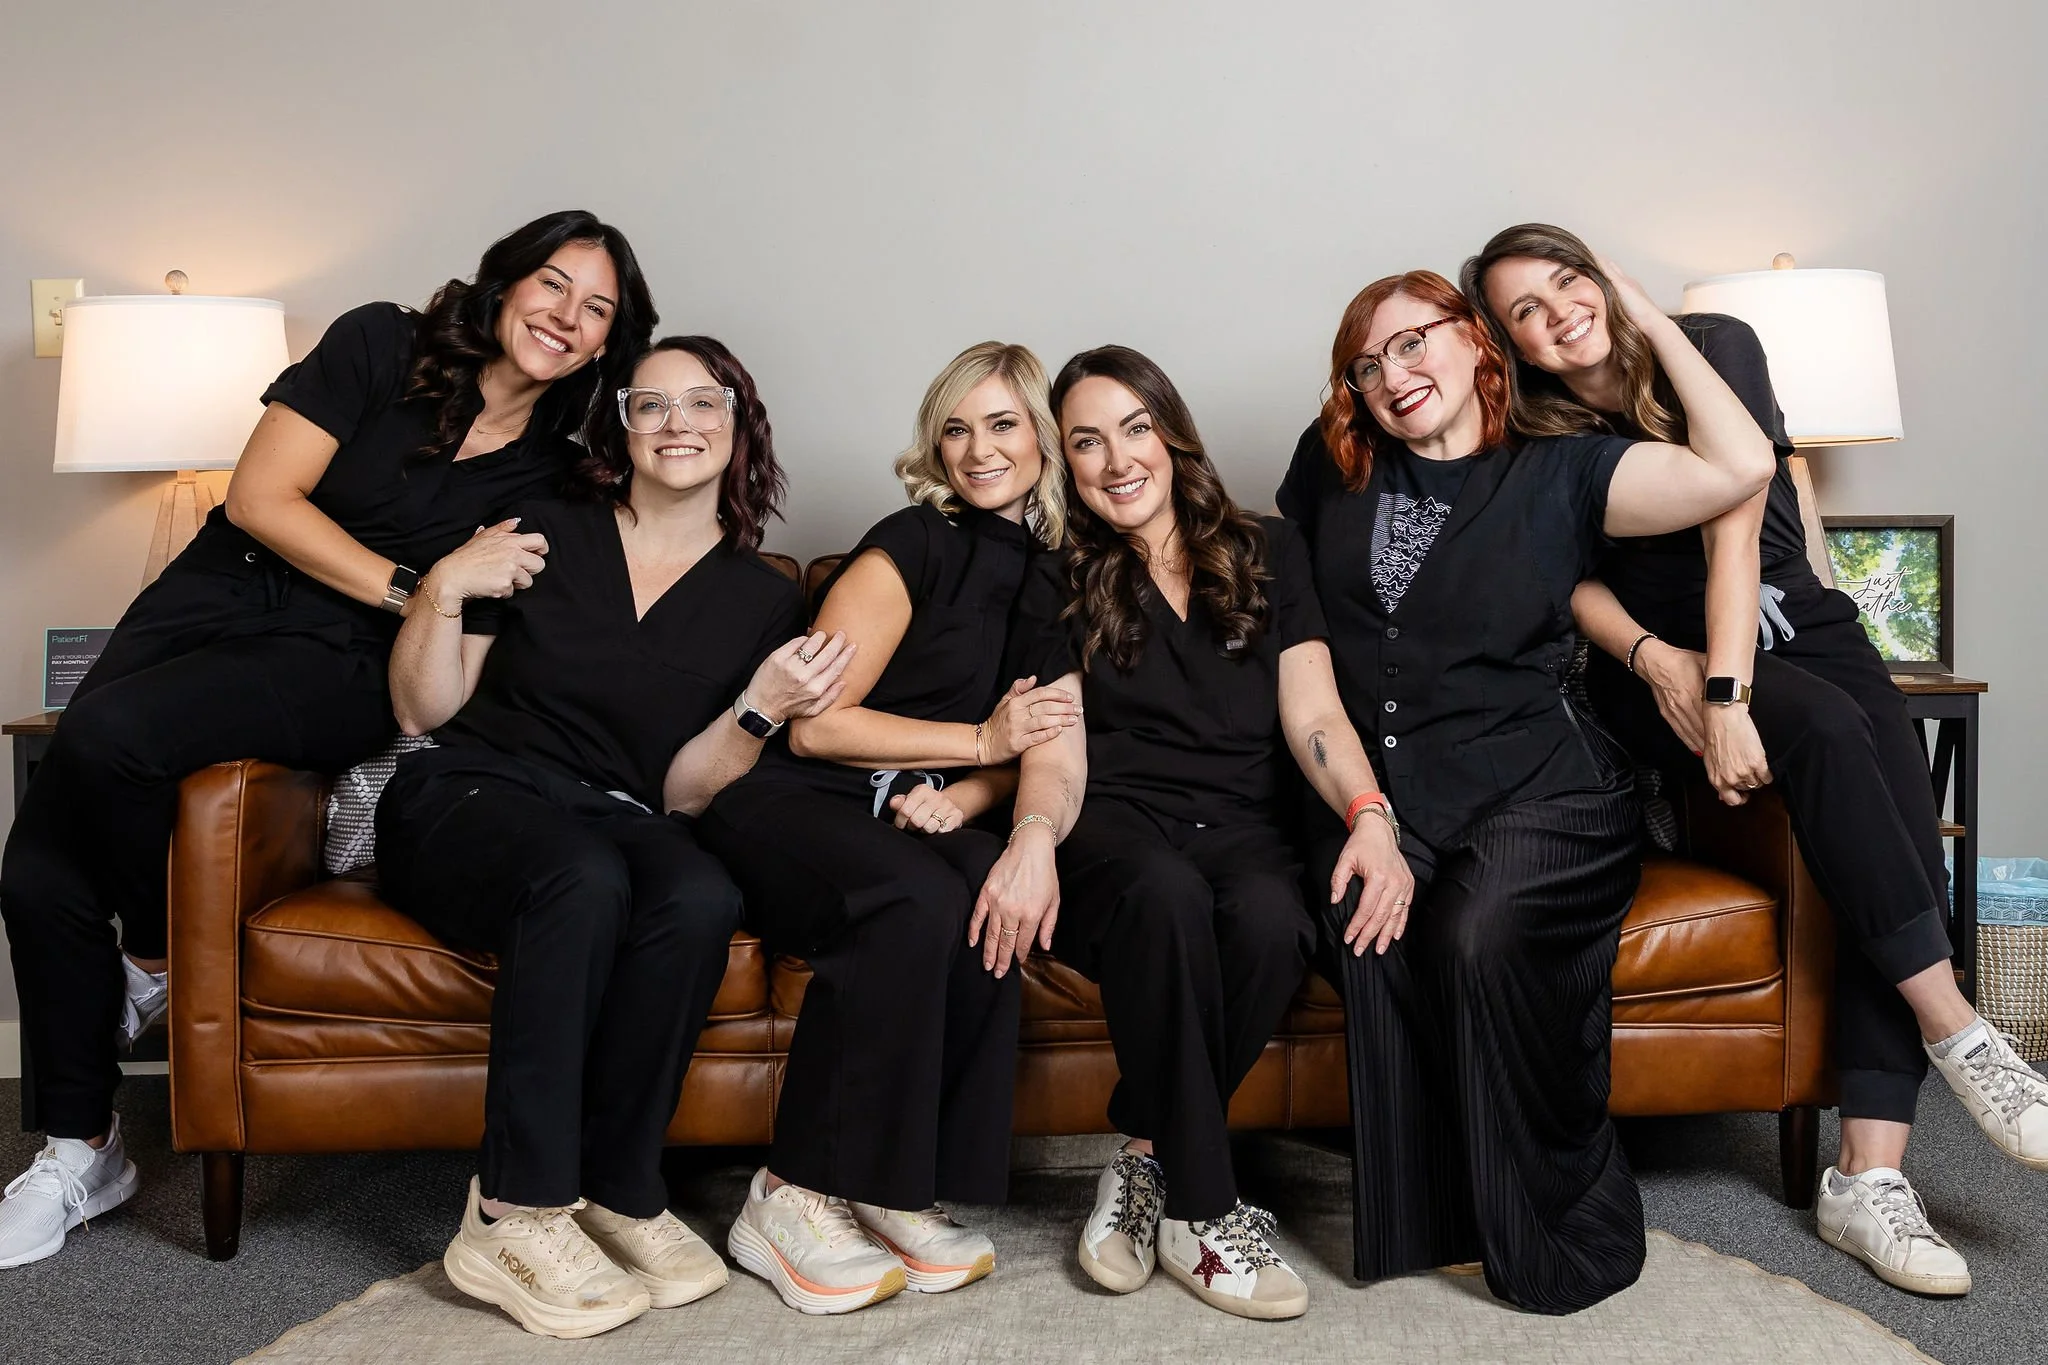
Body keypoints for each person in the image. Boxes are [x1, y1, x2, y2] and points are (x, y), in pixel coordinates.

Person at [0, 210, 653, 1271]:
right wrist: (417, 582)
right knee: (36, 865)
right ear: (501, 285)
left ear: (605, 345)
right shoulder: (378, 343)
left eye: (596, 311)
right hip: (217, 591)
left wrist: (420, 610)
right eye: (550, 285)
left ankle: (146, 957)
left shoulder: (555, 477)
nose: (565, 317)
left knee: (111, 731)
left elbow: (453, 667)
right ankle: (84, 1149)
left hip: (347, 662)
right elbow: (261, 499)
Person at [1466, 223, 2048, 1297]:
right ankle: (1957, 1031)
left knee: (1881, 792)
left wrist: (1645, 316)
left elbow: (1739, 523)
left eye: (1568, 285)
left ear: (1603, 279)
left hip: (1791, 628)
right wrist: (1674, 672)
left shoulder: (1715, 342)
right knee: (1825, 732)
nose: (1558, 315)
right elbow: (1567, 588)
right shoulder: (1527, 438)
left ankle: (1866, 1177)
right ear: (1507, 345)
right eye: (1524, 314)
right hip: (1656, 660)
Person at [1277, 267, 1775, 1314]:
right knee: (1368, 923)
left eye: (1412, 343)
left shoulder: (1564, 472)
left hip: (1541, 785)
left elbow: (1737, 465)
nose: (1390, 374)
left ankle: (1559, 1221)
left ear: (1474, 343)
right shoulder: (1331, 470)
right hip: (1384, 789)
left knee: (1477, 934)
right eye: (1365, 365)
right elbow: (1301, 645)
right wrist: (1360, 810)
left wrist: (1639, 309)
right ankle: (1432, 1222)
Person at [372, 336, 845, 1338]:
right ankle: (512, 1207)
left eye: (702, 403)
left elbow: (678, 796)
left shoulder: (763, 596)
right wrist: (445, 584)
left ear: (737, 424)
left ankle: (618, 1190)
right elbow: (424, 707)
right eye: (651, 405)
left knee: (700, 894)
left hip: (620, 813)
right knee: (580, 879)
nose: (678, 423)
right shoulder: (543, 531)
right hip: (471, 791)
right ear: (621, 428)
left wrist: (759, 707)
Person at [980, 345, 1408, 1320]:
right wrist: (1036, 834)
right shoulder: (1053, 577)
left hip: (1241, 822)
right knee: (1165, 897)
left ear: (1170, 436)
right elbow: (1053, 748)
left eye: (1132, 428)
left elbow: (1313, 715)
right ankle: (1205, 1213)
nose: (1114, 458)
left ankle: (1142, 1156)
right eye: (1084, 441)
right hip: (1115, 827)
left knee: (1268, 920)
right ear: (1064, 464)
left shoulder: (1266, 548)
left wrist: (1368, 815)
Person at [697, 341, 1076, 1315]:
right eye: (954, 427)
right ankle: (785, 1193)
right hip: (791, 799)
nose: (976, 448)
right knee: (910, 898)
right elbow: (819, 726)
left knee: (984, 890)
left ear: (1040, 434)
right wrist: (971, 739)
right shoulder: (905, 543)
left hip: (900, 803)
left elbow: (1028, 743)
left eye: (999, 424)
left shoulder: (1052, 577)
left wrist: (972, 794)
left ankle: (890, 1184)